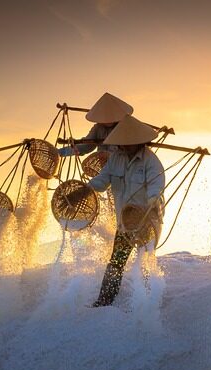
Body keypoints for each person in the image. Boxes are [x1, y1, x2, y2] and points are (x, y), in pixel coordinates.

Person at [87, 115, 165, 307]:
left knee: (145, 262)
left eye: (129, 143)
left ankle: (148, 304)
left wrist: (152, 202)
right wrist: (86, 188)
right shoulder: (116, 159)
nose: (125, 147)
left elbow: (156, 187)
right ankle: (104, 301)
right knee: (116, 262)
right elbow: (102, 180)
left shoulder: (151, 162)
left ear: (140, 142)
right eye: (123, 143)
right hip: (124, 222)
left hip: (147, 220)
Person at [58, 92, 133, 157]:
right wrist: (59, 153)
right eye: (105, 117)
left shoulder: (125, 127)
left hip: (124, 167)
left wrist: (108, 155)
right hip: (104, 167)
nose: (107, 120)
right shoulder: (98, 128)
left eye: (110, 116)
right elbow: (86, 146)